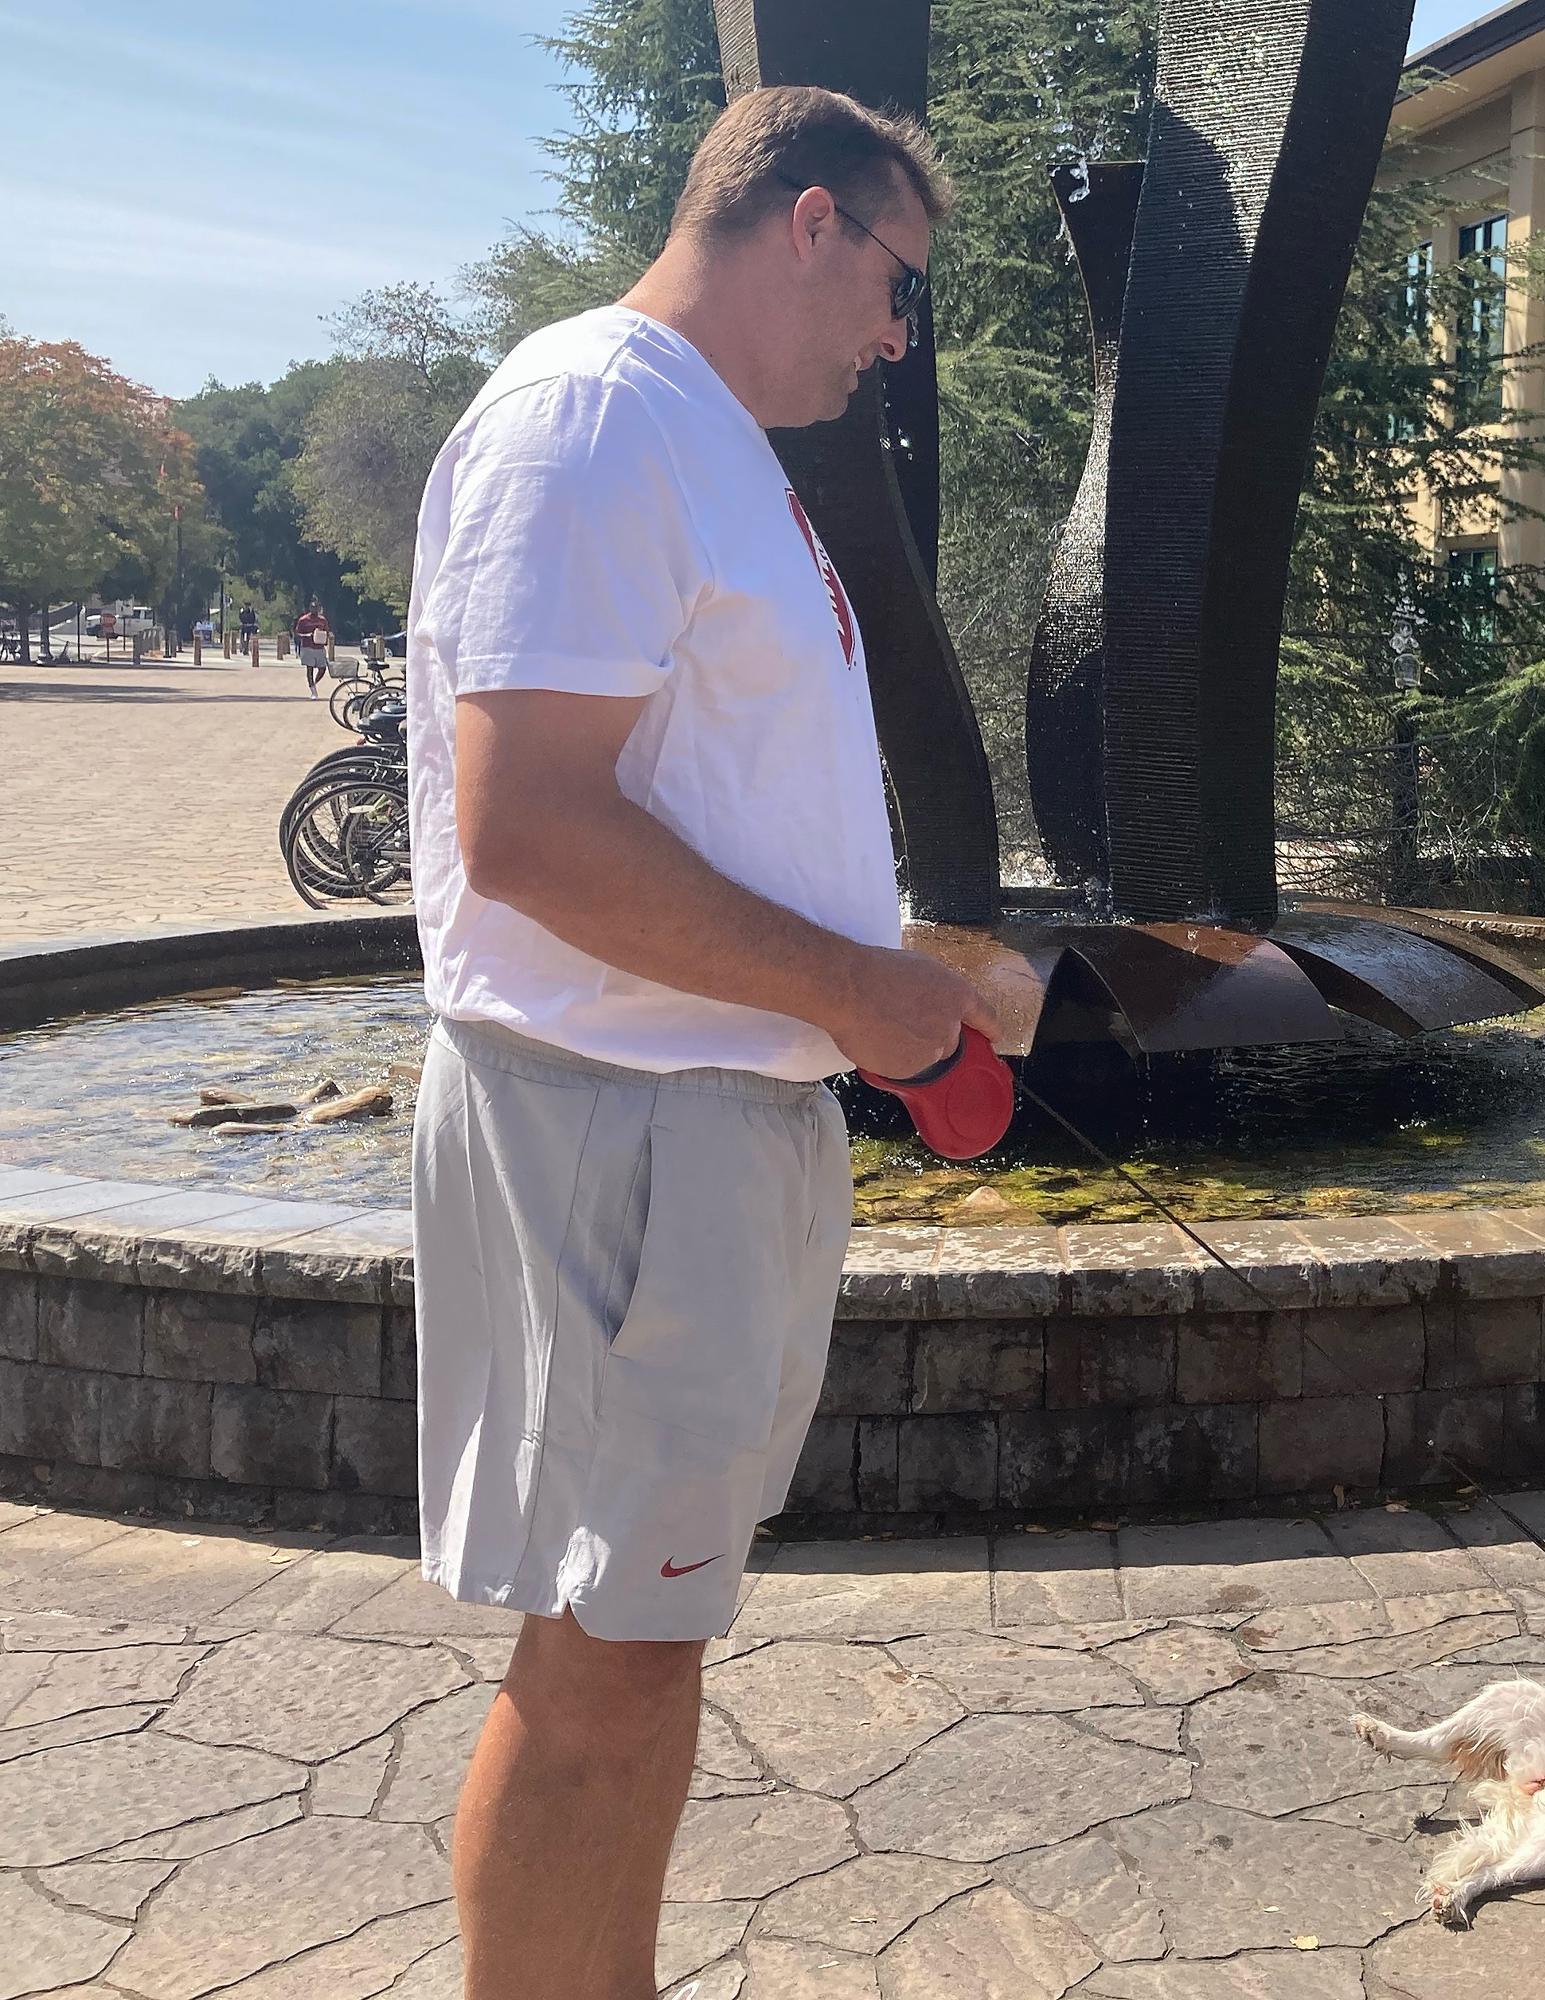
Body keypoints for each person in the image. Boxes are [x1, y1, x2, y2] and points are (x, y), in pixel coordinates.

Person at [401, 84, 990, 1998]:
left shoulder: (704, 441)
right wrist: (862, 998)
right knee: (606, 1662)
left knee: (639, 1649)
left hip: (690, 1126)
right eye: (899, 285)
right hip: (622, 1125)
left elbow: (703, 805)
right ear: (808, 221)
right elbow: (531, 829)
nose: (897, 340)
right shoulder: (598, 414)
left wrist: (904, 964)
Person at [294, 602, 332, 686]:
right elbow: (297, 633)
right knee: (309, 668)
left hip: (319, 647)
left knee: (323, 668)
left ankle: (314, 682)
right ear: (310, 608)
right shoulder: (303, 620)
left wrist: (324, 637)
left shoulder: (322, 620)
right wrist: (307, 635)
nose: (314, 609)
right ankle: (312, 687)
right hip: (308, 647)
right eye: (312, 607)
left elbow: (327, 631)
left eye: (315, 607)